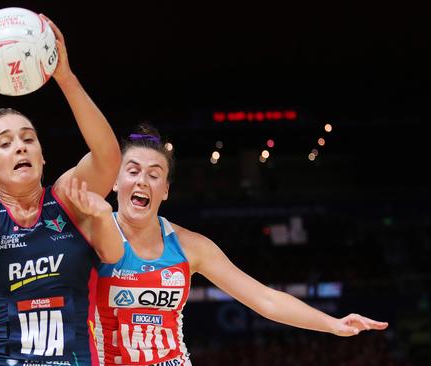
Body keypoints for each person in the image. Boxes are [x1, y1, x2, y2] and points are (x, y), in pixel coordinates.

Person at [76, 123, 389, 366]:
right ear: (115, 182)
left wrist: (332, 324)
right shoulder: (90, 236)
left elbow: (264, 299)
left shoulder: (190, 247)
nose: (142, 181)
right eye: (132, 171)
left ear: (166, 190)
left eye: (154, 174)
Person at [0, 15, 123, 366]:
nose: (20, 147)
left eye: (28, 139)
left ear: (42, 155)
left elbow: (108, 157)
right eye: (4, 143)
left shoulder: (69, 200)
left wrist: (65, 79)